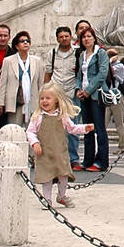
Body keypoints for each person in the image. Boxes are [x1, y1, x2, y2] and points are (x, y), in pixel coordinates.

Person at [26, 82, 93, 207]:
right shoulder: (38, 117)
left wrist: (85, 128)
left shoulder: (62, 116)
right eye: (42, 98)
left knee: (63, 174)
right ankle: (47, 199)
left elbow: (72, 128)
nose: (44, 101)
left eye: (48, 98)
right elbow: (30, 132)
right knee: (47, 177)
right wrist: (35, 143)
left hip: (60, 152)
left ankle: (61, 195)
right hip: (45, 153)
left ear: (56, 100)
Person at [74, 26, 111, 173]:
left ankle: (102, 161)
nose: (86, 39)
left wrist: (88, 91)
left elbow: (102, 74)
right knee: (87, 128)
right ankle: (88, 159)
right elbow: (79, 75)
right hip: (84, 96)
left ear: (94, 38)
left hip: (96, 95)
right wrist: (78, 89)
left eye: (89, 36)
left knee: (99, 128)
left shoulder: (101, 53)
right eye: (84, 37)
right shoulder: (82, 55)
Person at [45, 26, 81, 169]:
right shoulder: (52, 53)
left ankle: (73, 158)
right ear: (57, 38)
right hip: (56, 94)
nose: (64, 39)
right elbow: (48, 72)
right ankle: (54, 157)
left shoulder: (78, 53)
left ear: (71, 37)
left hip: (72, 93)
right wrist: (45, 93)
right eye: (61, 37)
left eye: (66, 36)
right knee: (53, 127)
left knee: (72, 127)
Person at [0, 31, 44, 128]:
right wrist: (0, 103)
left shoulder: (37, 61)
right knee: (14, 129)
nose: (25, 43)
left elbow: (40, 83)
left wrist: (42, 100)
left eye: (27, 41)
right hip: (15, 102)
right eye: (22, 41)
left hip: (32, 101)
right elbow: (3, 83)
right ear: (17, 46)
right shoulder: (8, 61)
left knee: (33, 131)